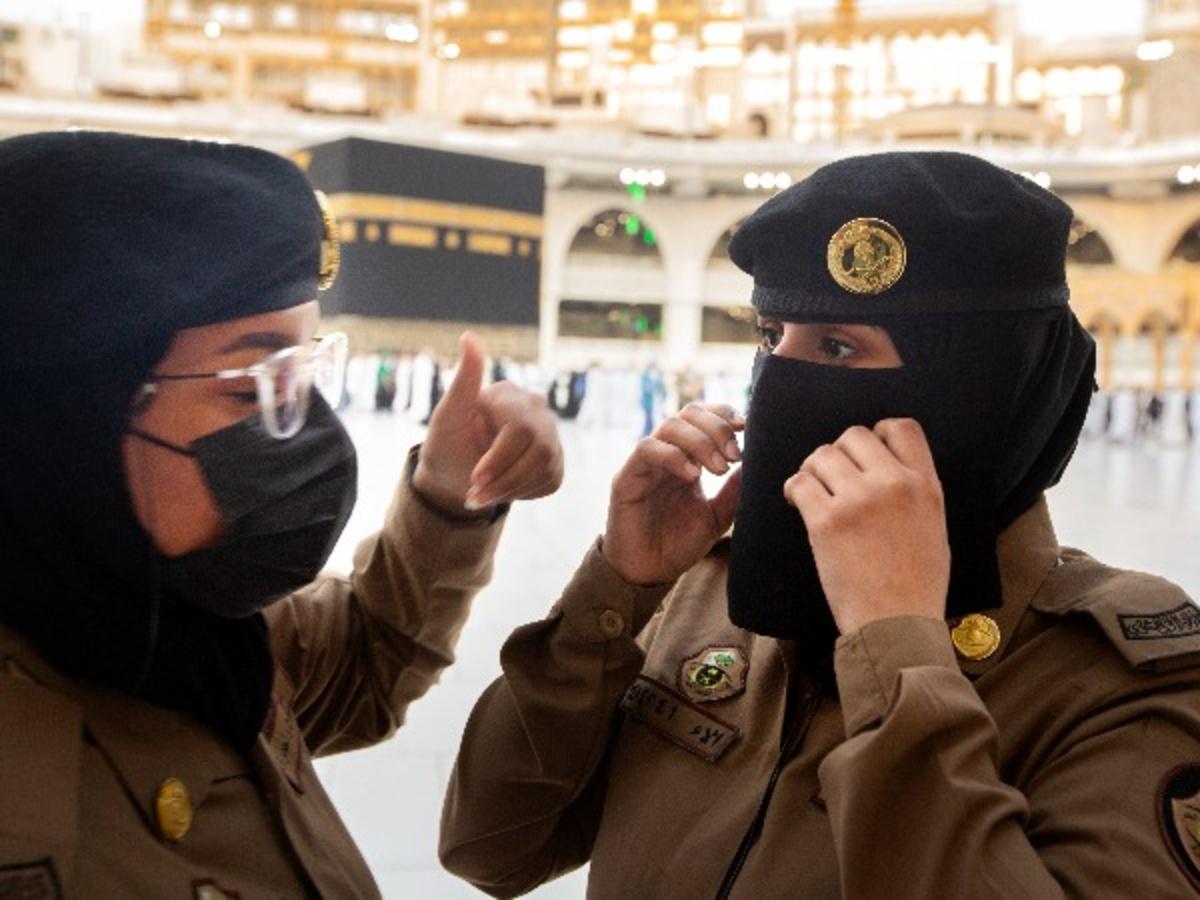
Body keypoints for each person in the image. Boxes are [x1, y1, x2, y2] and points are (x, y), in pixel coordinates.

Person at [439, 152, 1200, 897]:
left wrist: (897, 643)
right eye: (772, 338)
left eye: (838, 346)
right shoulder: (713, 597)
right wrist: (617, 592)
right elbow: (492, 845)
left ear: (979, 391)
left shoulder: (1114, 684)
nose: (780, 384)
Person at [0, 130, 563, 897]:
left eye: (301, 373)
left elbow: (369, 656)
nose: (305, 430)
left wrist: (447, 493)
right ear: (71, 418)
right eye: (251, 386)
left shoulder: (187, 627)